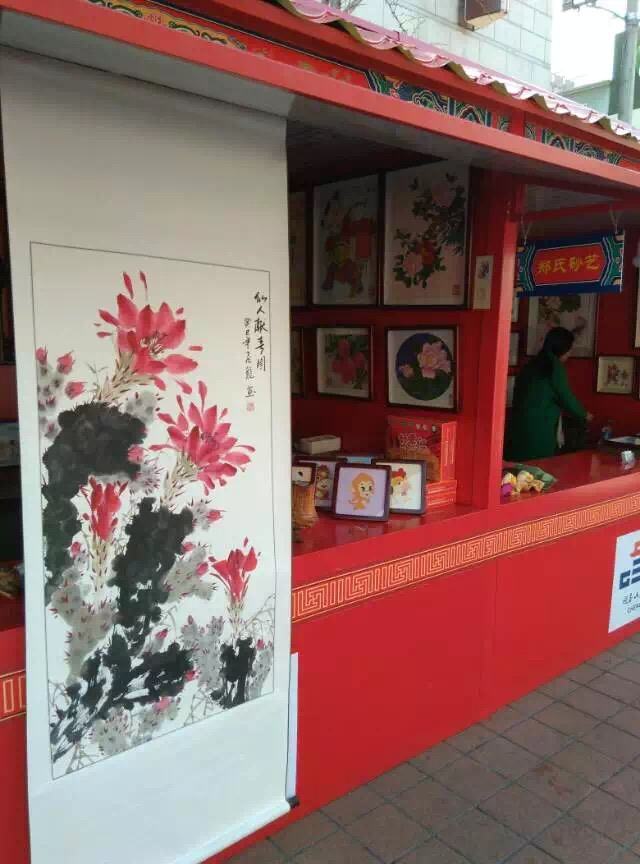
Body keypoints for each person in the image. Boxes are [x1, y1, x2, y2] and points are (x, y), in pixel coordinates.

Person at [504, 326, 593, 462]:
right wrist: (584, 415)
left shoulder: (532, 363)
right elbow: (565, 396)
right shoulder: (554, 367)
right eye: (570, 350)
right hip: (540, 427)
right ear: (563, 349)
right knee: (539, 467)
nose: (570, 354)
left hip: (518, 425)